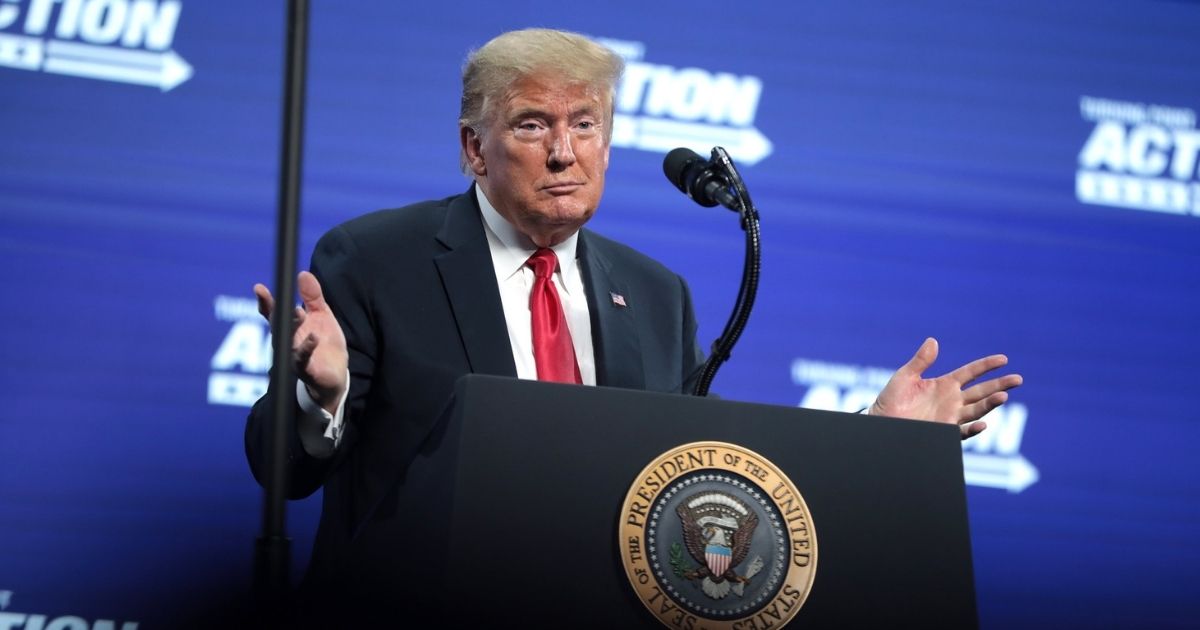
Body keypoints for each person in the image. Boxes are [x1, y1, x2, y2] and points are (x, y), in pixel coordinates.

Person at [245, 28, 1021, 618]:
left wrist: (879, 434)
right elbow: (281, 469)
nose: (563, 153)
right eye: (530, 125)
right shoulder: (377, 259)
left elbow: (715, 473)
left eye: (585, 125)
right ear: (472, 150)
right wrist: (321, 399)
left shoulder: (654, 294)